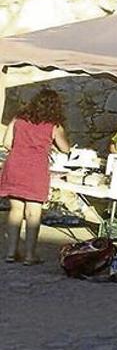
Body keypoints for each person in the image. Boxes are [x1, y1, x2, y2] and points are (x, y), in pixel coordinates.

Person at [1, 89, 71, 264]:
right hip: (36, 169)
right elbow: (65, 148)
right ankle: (30, 255)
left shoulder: (18, 119)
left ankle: (11, 252)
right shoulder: (53, 125)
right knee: (33, 212)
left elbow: (6, 143)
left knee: (15, 210)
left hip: (15, 165)